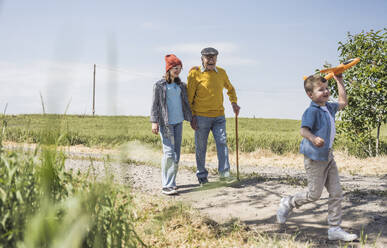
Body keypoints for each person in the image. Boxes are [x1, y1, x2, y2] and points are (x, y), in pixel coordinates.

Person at [276, 74, 358, 242]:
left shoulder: (329, 107)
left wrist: (339, 81)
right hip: (314, 158)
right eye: (321, 90)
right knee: (314, 194)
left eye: (327, 88)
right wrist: (313, 138)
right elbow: (303, 131)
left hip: (328, 156)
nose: (326, 92)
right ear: (310, 94)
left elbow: (343, 102)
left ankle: (334, 229)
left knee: (336, 193)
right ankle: (289, 202)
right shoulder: (311, 111)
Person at [187, 47, 240, 185]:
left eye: (213, 57)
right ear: (202, 59)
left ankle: (224, 174)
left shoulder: (221, 73)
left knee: (222, 143)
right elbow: (189, 97)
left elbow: (230, 89)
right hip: (201, 117)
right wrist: (192, 116)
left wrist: (234, 103)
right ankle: (202, 176)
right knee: (201, 147)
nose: (211, 60)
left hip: (219, 117)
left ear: (216, 58)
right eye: (207, 57)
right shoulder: (194, 74)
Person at [150, 54, 192, 195]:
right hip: (166, 123)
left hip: (178, 122)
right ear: (168, 68)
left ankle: (172, 182)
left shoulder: (181, 85)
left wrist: (192, 118)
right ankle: (166, 185)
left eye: (179, 68)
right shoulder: (159, 85)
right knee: (169, 153)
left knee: (176, 153)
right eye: (175, 68)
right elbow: (155, 105)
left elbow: (187, 102)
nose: (177, 70)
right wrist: (154, 122)